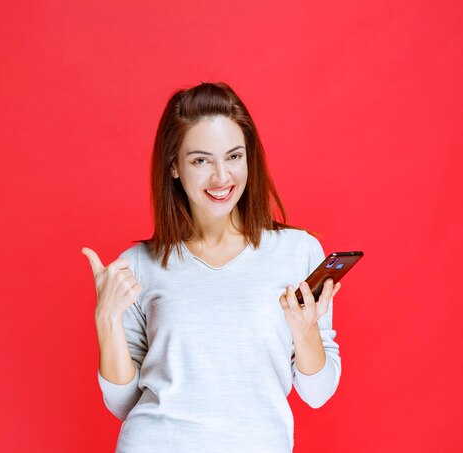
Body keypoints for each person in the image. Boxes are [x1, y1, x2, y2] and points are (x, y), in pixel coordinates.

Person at [82, 81, 342, 453]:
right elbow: (124, 404)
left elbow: (318, 393)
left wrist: (304, 332)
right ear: (174, 166)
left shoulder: (298, 252)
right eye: (201, 160)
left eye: (234, 157)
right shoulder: (139, 265)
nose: (222, 177)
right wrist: (106, 321)